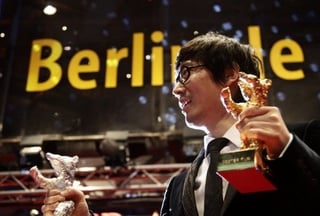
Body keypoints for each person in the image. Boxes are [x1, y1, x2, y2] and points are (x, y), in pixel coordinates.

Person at [40, 32, 320, 216]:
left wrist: (287, 149)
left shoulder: (301, 140)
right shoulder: (177, 187)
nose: (176, 90)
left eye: (186, 72)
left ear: (230, 73)